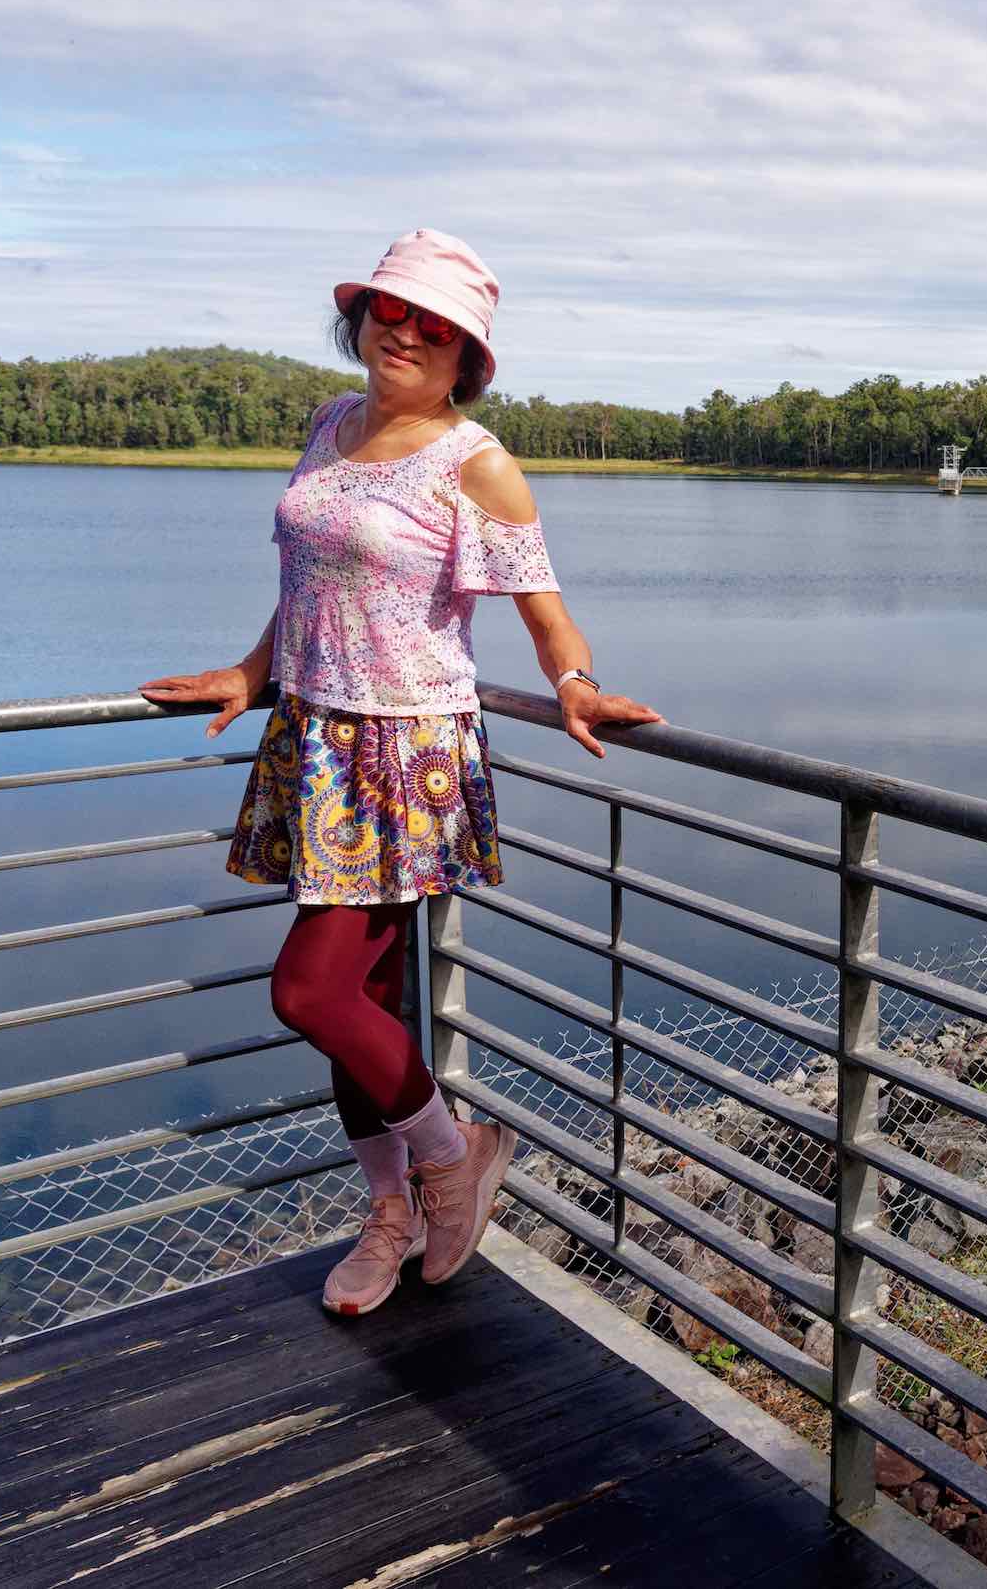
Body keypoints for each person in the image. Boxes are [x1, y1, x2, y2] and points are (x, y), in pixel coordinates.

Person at [142, 229, 662, 1316]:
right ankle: (393, 1212)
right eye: (391, 310)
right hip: (318, 740)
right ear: (362, 316)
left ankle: (451, 1155)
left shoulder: (474, 461)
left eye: (435, 325)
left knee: (310, 991)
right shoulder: (330, 426)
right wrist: (251, 672)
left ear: (467, 355)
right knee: (363, 1002)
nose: (405, 332)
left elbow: (542, 607)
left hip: (404, 753)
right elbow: (313, 580)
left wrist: (575, 684)